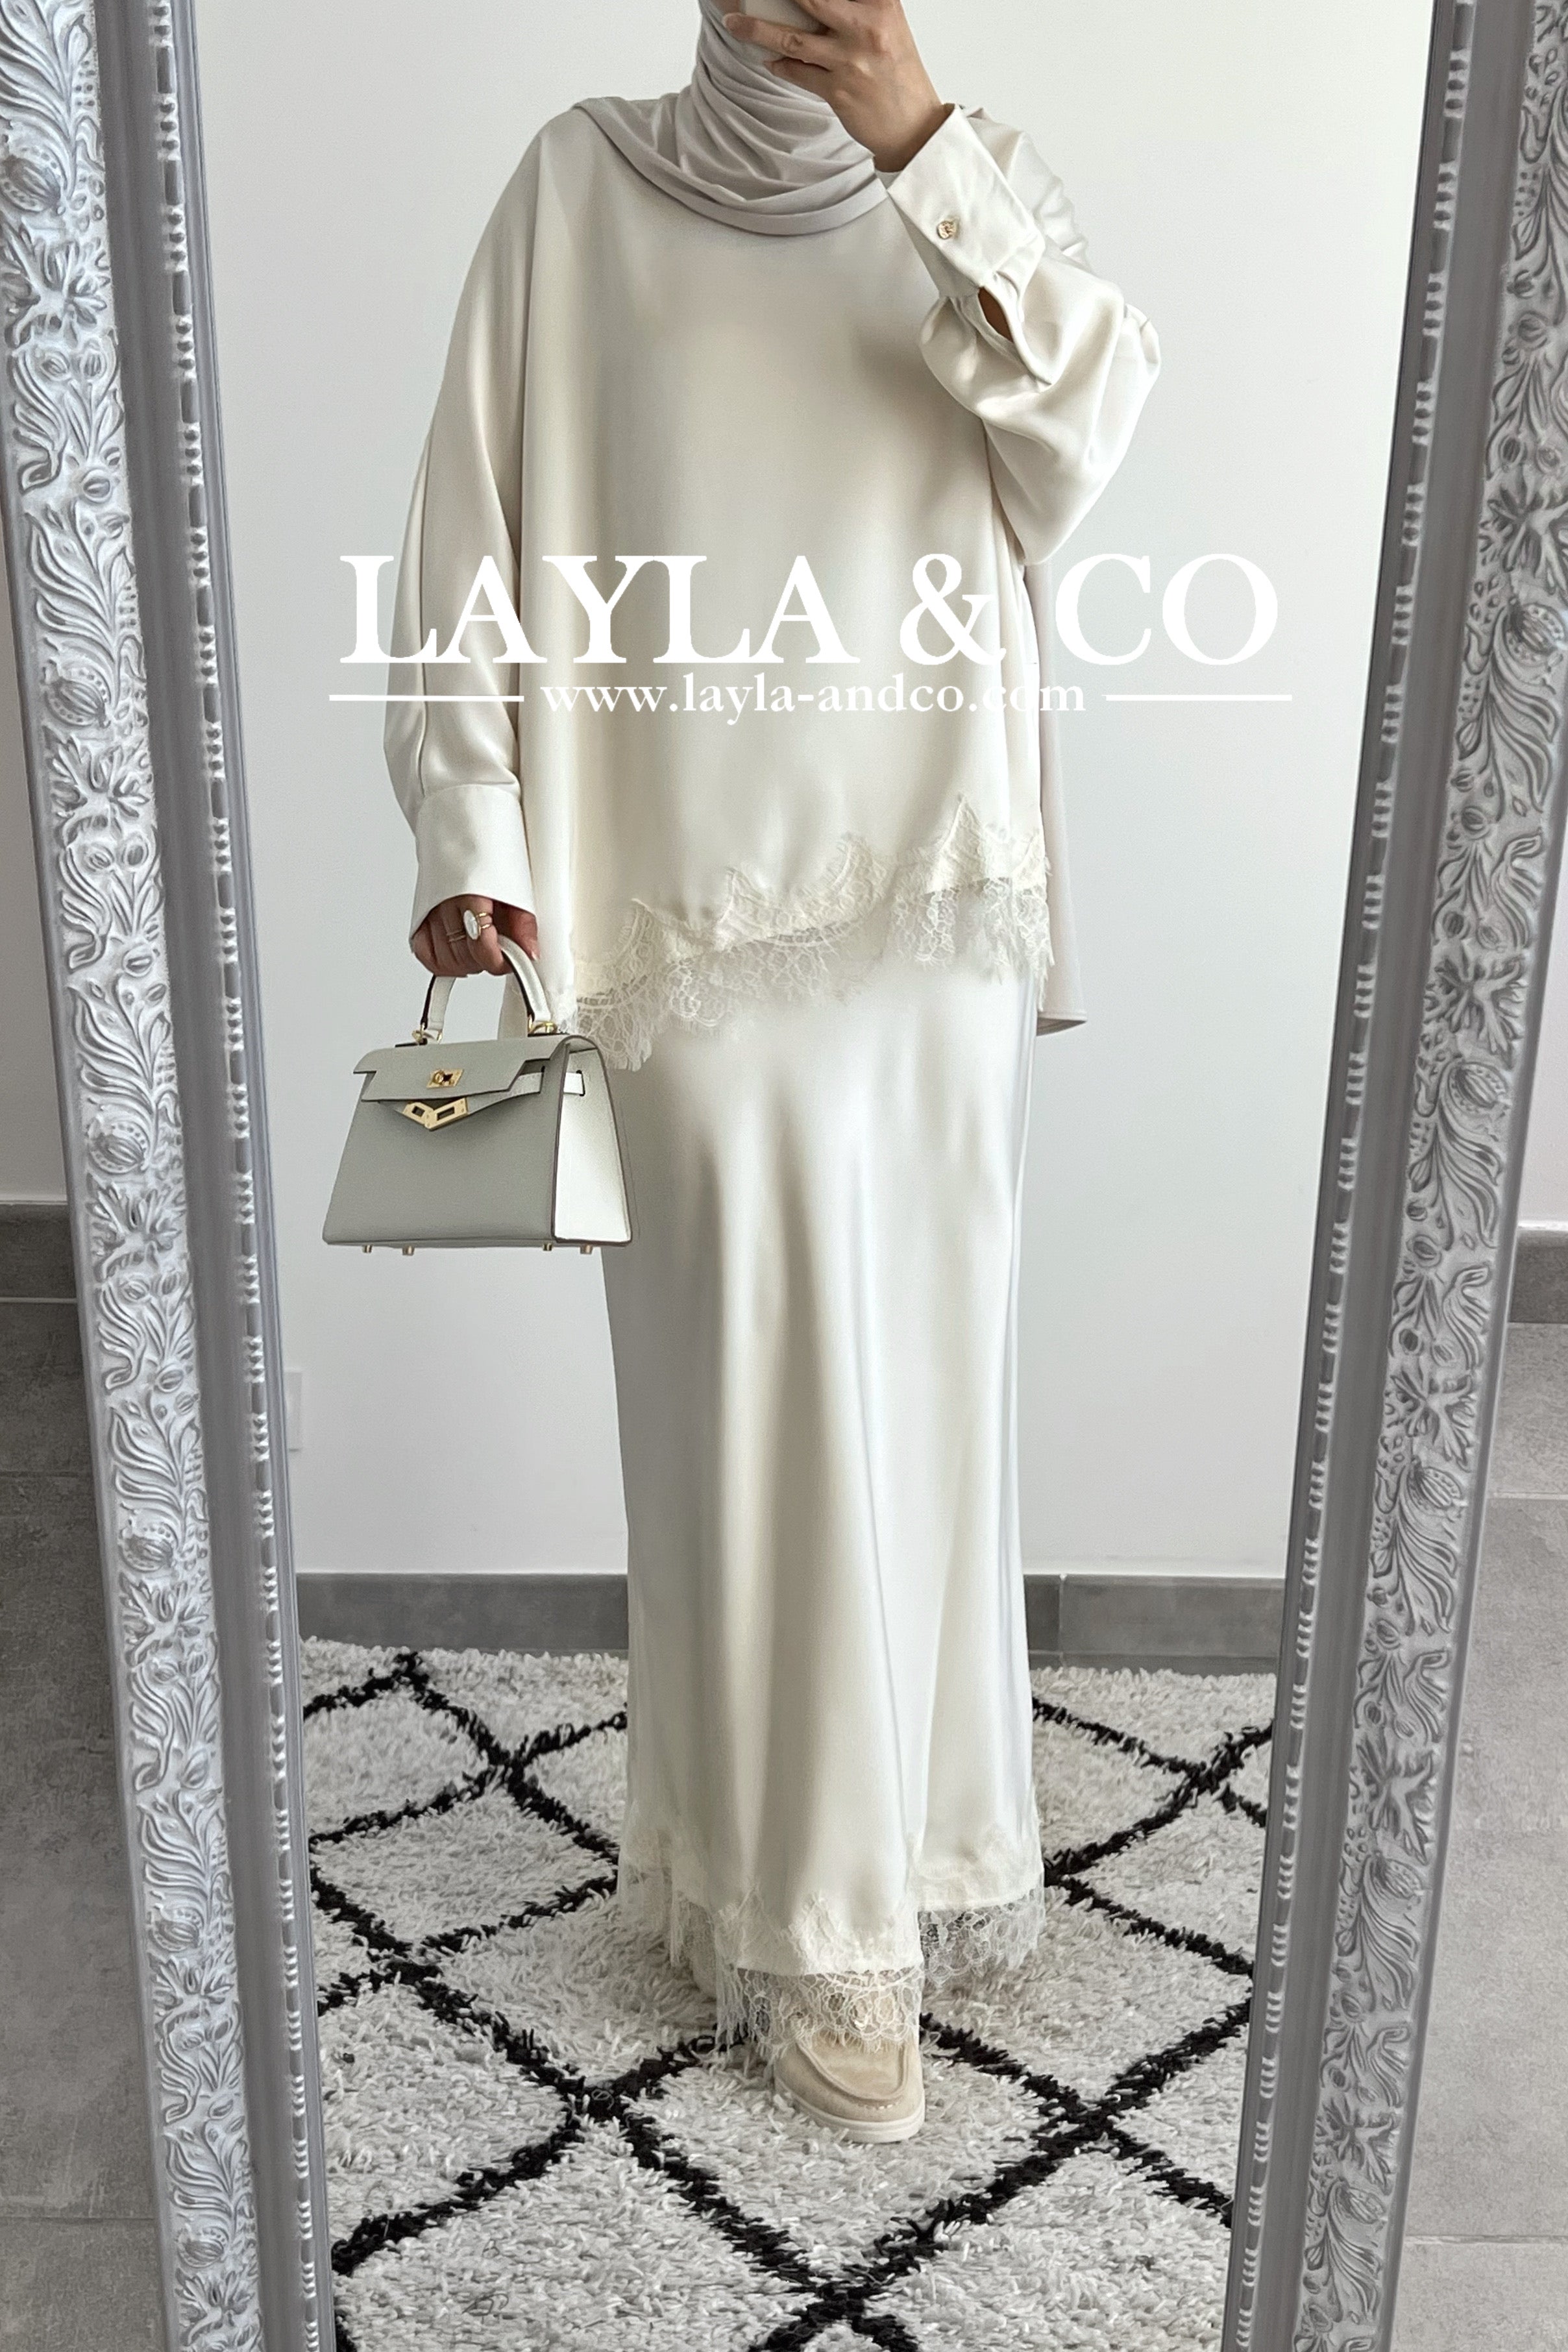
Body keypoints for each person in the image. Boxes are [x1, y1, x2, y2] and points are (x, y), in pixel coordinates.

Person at [386, 0, 1158, 2141]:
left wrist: (921, 151)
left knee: (928, 1383)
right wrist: (470, 836)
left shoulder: (977, 179)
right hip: (669, 913)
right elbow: (459, 545)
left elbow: (1080, 443)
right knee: (740, 1390)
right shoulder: (578, 186)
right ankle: (806, 1919)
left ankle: (917, 1866)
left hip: (933, 902)